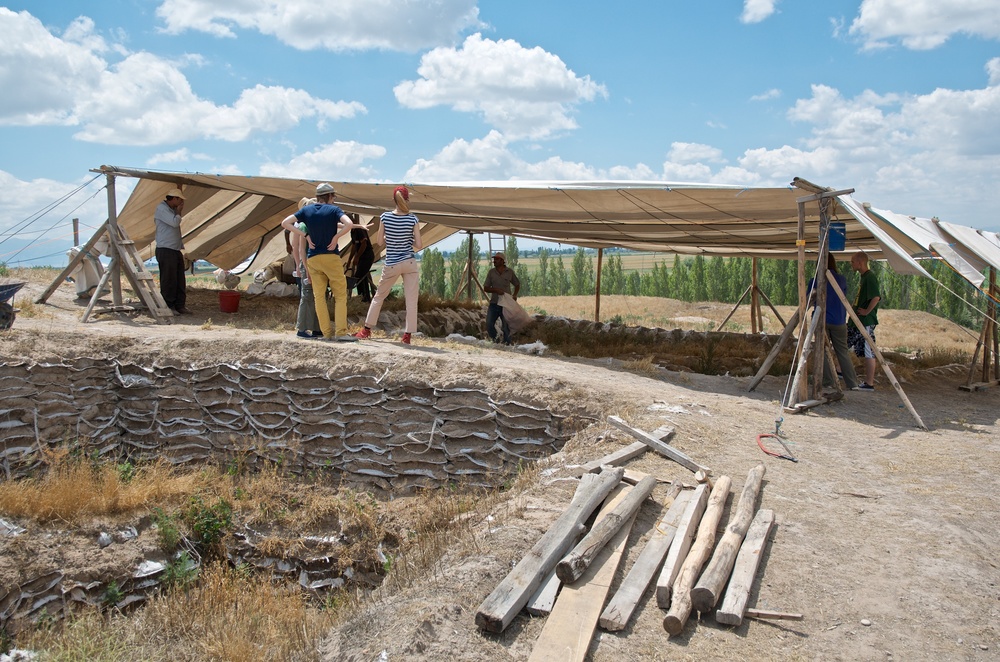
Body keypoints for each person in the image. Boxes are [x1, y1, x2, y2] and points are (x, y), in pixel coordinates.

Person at [280, 183, 360, 342]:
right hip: (331, 257)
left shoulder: (306, 210)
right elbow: (349, 224)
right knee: (340, 295)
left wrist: (305, 236)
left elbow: (285, 223)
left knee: (319, 297)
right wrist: (337, 237)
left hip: (313, 259)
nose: (334, 199)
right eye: (334, 197)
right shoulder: (334, 210)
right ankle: (341, 332)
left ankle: (326, 333)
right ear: (330, 196)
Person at [353, 186, 422, 345]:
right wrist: (407, 240)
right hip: (409, 262)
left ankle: (366, 330)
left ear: (393, 200)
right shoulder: (413, 219)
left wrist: (393, 238)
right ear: (407, 200)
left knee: (379, 297)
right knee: (411, 300)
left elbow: (379, 241)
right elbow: (418, 244)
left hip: (392, 263)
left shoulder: (385, 217)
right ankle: (407, 336)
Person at [808, 254, 859, 391]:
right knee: (842, 351)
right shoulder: (841, 280)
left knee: (822, 351)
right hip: (839, 320)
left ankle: (828, 380)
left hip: (822, 320)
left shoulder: (815, 281)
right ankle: (852, 383)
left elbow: (808, 300)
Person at [154, 187, 190, 315]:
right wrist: (179, 212)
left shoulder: (170, 209)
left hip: (174, 249)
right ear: (174, 198)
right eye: (179, 200)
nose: (181, 203)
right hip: (166, 249)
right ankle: (169, 306)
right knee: (169, 280)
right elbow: (174, 223)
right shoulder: (162, 209)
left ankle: (180, 305)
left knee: (179, 279)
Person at [848, 251, 881, 391]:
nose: (851, 264)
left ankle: (869, 383)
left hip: (865, 320)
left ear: (860, 262)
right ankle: (839, 370)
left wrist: (867, 311)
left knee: (869, 350)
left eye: (852, 262)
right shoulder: (864, 277)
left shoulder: (870, 277)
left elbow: (876, 297)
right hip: (858, 320)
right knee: (847, 344)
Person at [290, 197, 323, 339]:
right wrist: (300, 266)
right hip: (307, 264)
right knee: (307, 295)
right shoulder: (302, 226)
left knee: (315, 296)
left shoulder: (310, 225)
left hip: (311, 263)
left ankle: (316, 328)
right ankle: (301, 328)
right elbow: (298, 249)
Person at [483, 251, 521, 345]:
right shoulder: (491, 272)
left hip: (506, 304)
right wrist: (496, 290)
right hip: (494, 303)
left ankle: (507, 344)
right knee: (489, 324)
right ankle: (496, 341)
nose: (494, 261)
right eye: (494, 259)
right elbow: (485, 288)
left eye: (496, 259)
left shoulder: (509, 272)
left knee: (506, 326)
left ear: (502, 261)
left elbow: (517, 284)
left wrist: (515, 295)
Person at [347, 226, 375, 302]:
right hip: (361, 258)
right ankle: (366, 298)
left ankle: (363, 298)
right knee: (363, 278)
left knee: (358, 277)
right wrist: (349, 260)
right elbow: (354, 246)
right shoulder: (352, 231)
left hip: (367, 256)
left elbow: (364, 244)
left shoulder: (359, 229)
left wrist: (357, 257)